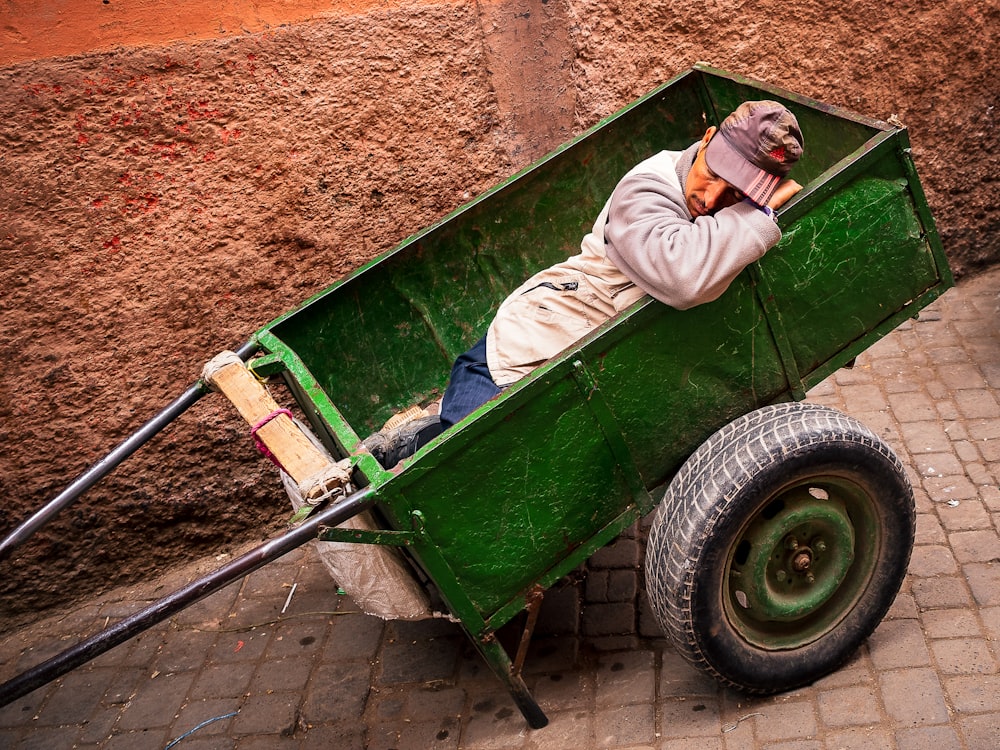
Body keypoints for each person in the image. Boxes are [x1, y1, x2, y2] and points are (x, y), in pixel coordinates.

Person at [366, 100, 805, 468]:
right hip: (525, 347)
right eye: (713, 175)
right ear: (706, 138)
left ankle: (432, 426)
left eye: (736, 194)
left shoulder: (713, 201)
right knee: (470, 458)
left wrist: (752, 206)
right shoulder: (645, 189)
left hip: (572, 356)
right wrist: (756, 213)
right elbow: (685, 278)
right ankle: (417, 436)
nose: (711, 200)